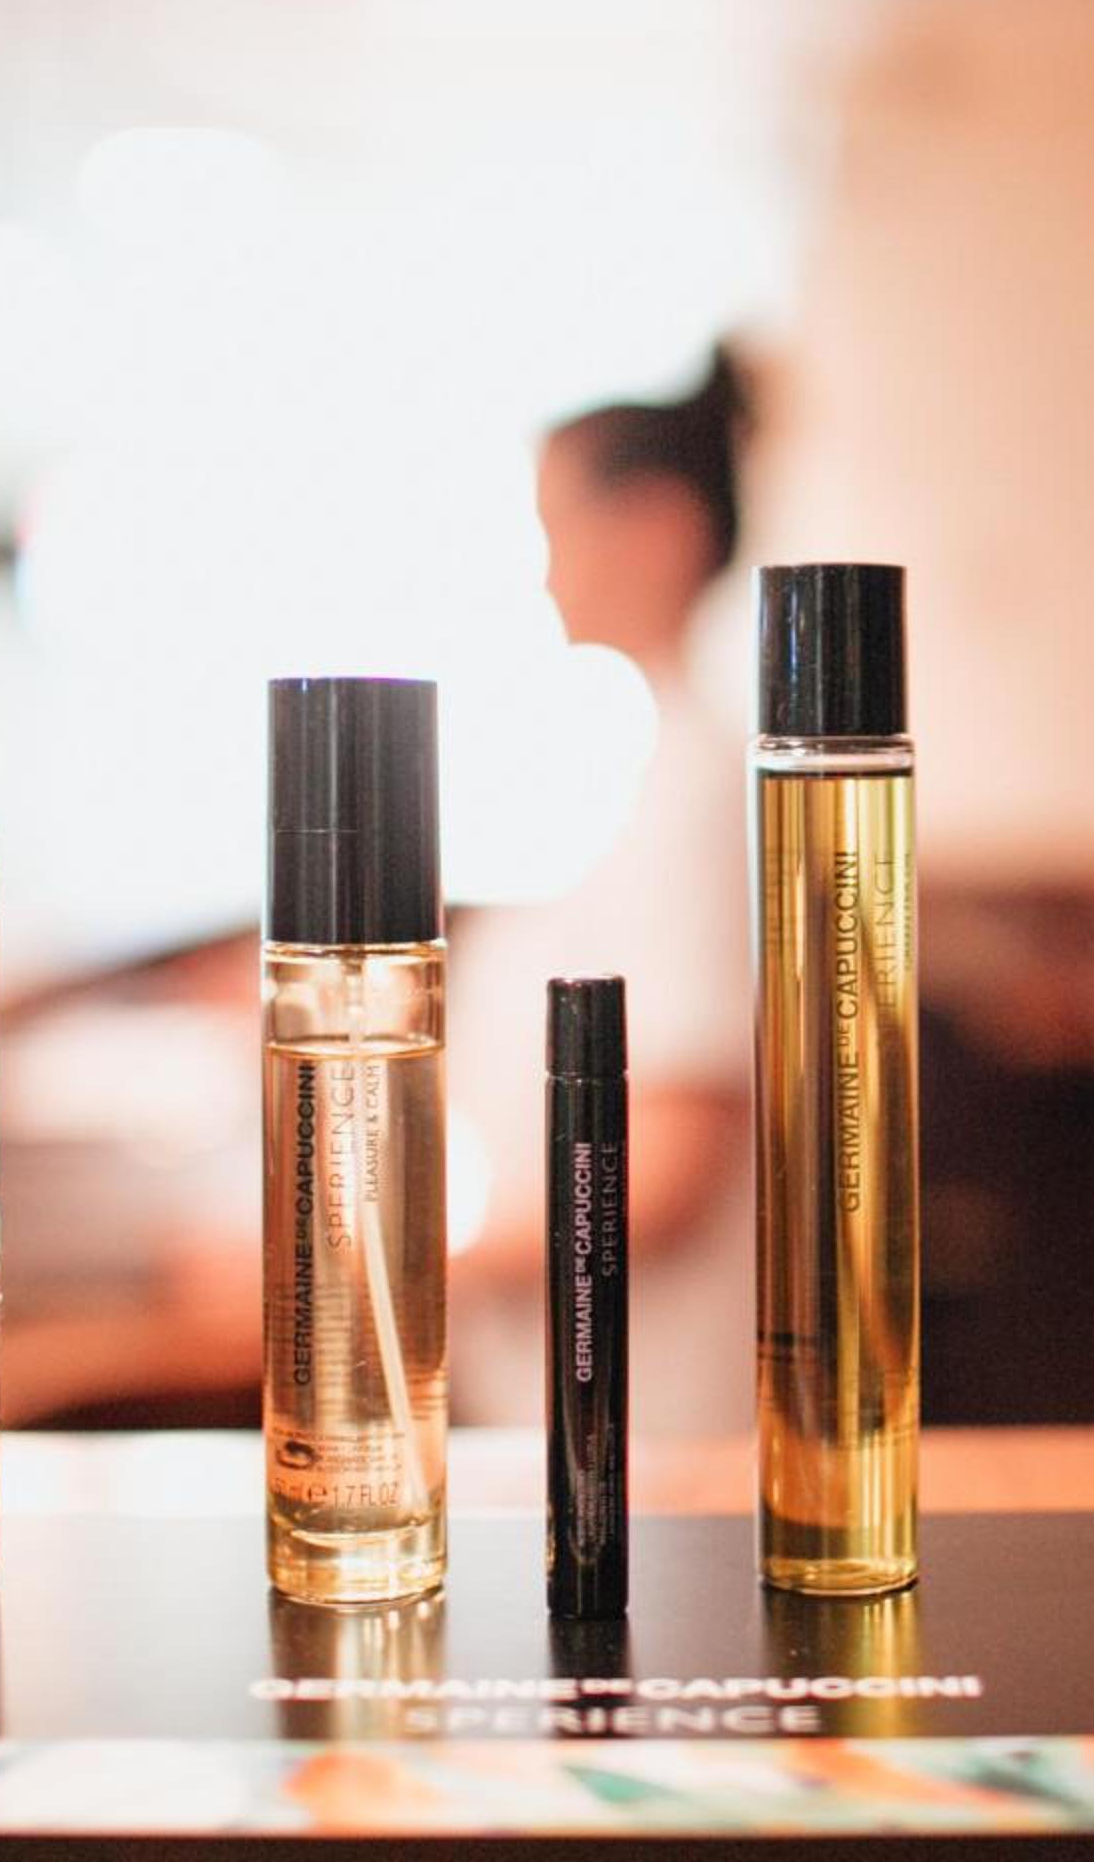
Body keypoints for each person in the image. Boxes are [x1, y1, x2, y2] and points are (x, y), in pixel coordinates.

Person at [445, 347, 758, 1433]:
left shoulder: (699, 792)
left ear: (660, 528)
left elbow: (664, 1172)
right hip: (569, 1397)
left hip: (654, 1420)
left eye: (558, 527)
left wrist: (387, 1267)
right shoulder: (626, 769)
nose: (545, 575)